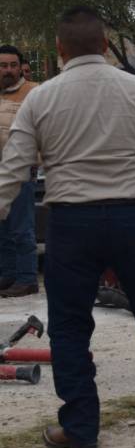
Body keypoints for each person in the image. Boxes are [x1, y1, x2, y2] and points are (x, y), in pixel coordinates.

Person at [0, 7, 135, 448]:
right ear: (105, 45)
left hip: (70, 222)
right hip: (133, 217)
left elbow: (12, 170)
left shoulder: (40, 99)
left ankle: (79, 429)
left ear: (59, 50)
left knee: (70, 327)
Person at [0, 45, 39, 297]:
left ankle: (27, 278)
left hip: (20, 170)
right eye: (3, 65)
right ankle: (8, 274)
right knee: (2, 228)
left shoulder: (34, 93)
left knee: (21, 227)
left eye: (13, 65)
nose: (9, 70)